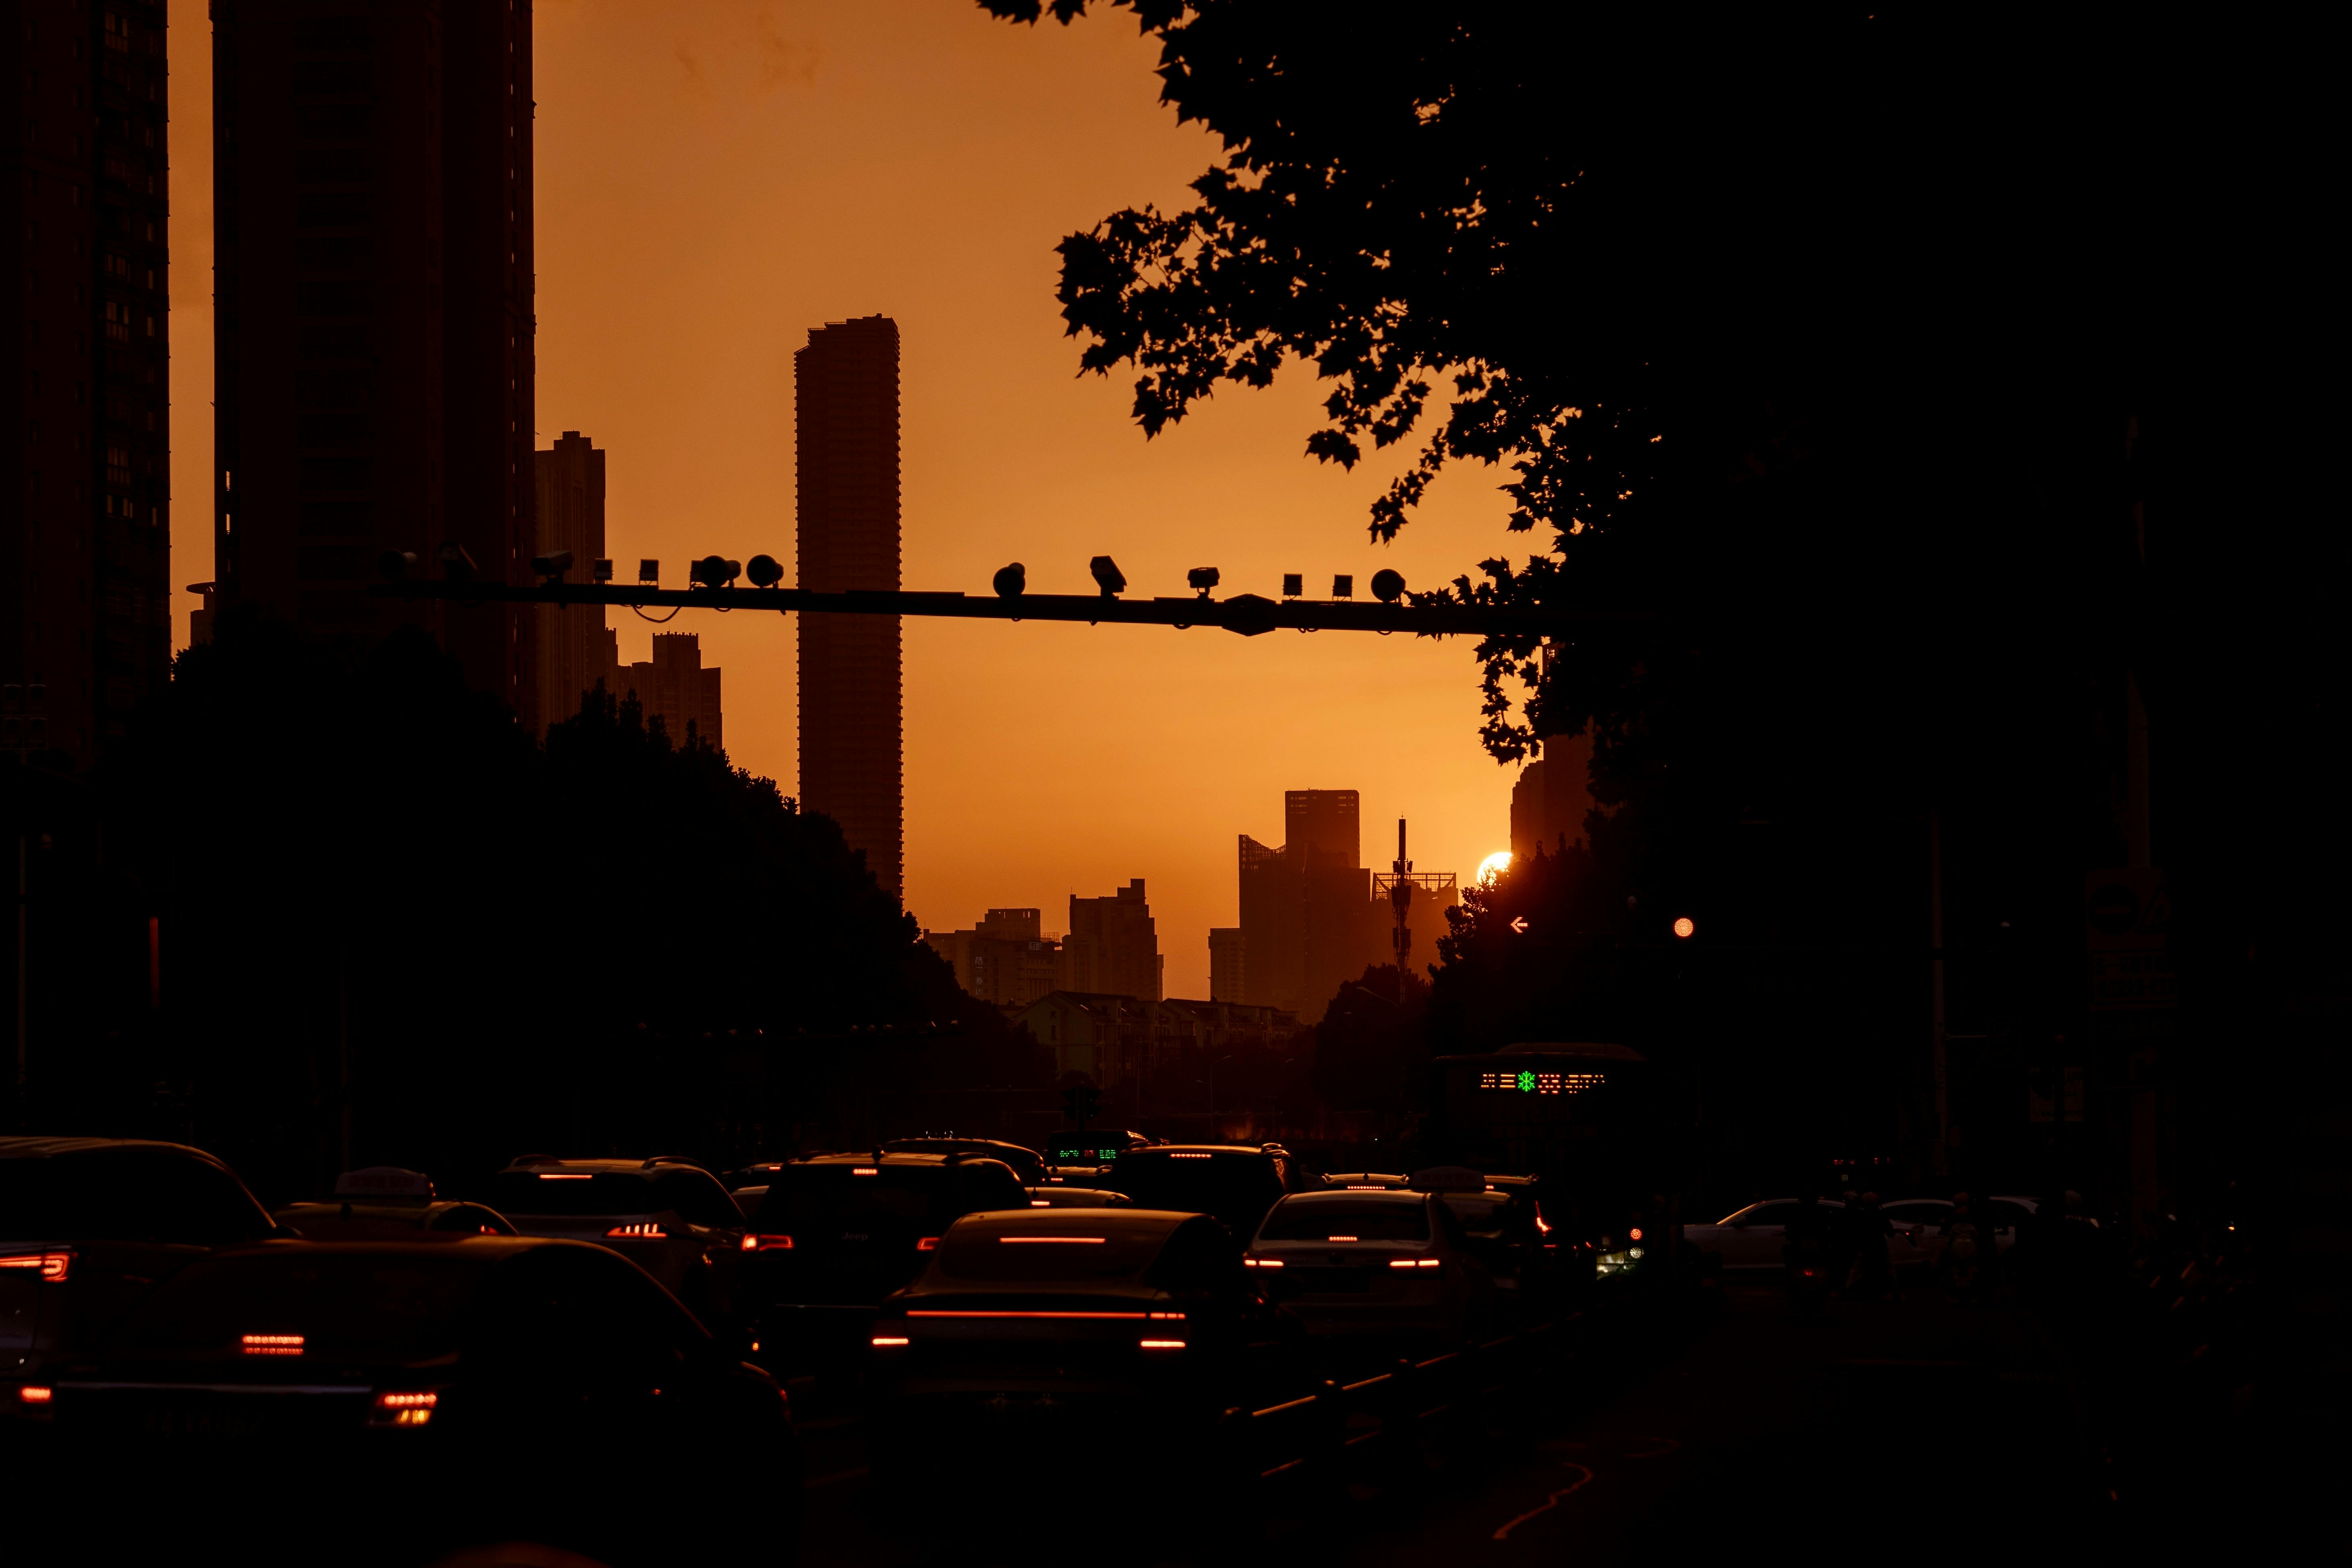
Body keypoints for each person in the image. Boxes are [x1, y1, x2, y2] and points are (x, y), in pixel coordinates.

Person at [1844, 1190, 1896, 1302]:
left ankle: (1847, 1290)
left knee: (1856, 1270)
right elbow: (1890, 1233)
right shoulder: (1881, 1215)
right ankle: (1895, 1292)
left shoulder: (1862, 1216)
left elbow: (1857, 1233)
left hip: (1866, 1248)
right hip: (1879, 1248)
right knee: (1889, 1269)